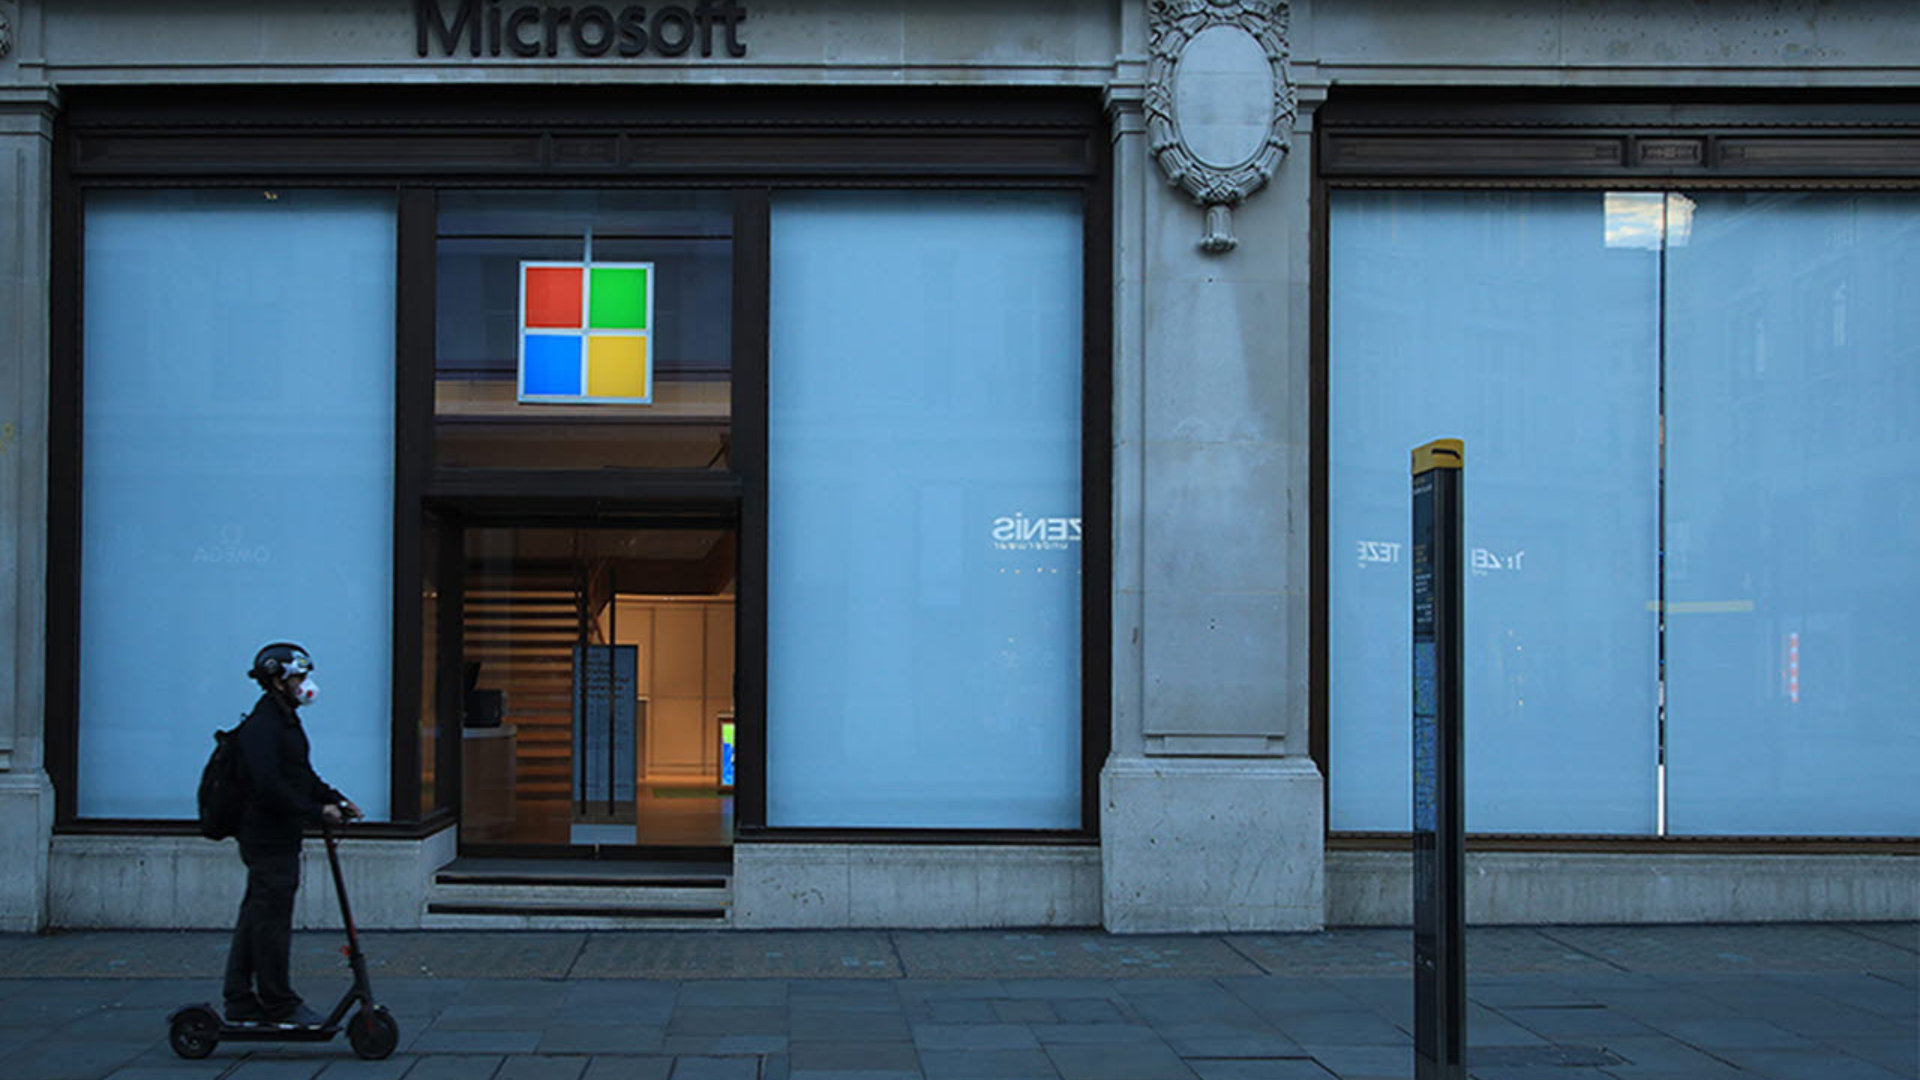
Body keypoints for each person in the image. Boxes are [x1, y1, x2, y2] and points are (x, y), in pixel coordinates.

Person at [223, 642, 360, 1025]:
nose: (305, 685)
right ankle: (277, 1002)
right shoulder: (263, 726)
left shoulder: (284, 721)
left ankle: (239, 999)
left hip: (279, 834)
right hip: (266, 836)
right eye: (297, 677)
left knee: (257, 916)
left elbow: (300, 775)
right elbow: (269, 785)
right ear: (277, 680)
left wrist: (336, 799)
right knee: (270, 922)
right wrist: (316, 811)